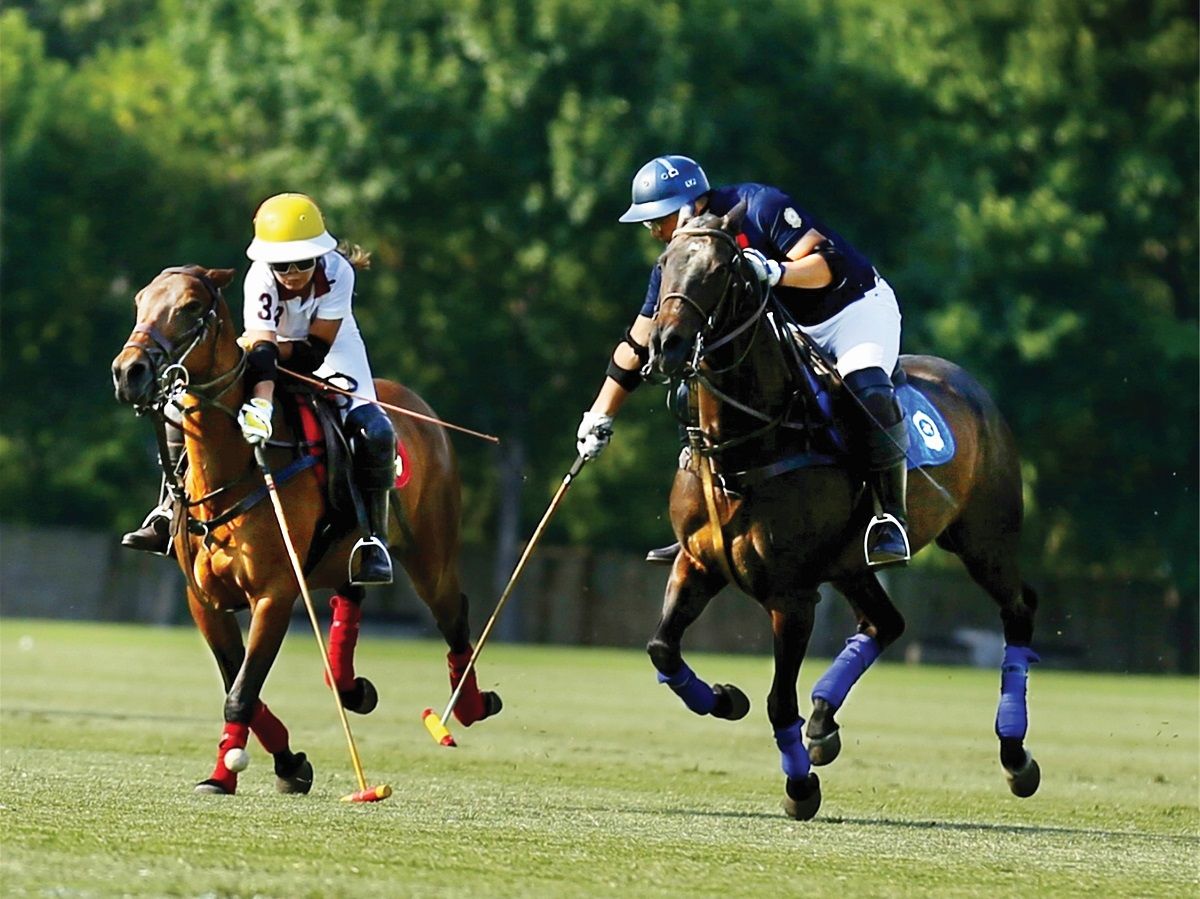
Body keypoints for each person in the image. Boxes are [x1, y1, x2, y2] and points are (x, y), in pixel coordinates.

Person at [575, 155, 910, 569]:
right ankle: (702, 524)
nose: (652, 232)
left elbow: (826, 267)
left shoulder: (760, 206)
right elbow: (638, 342)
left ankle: (891, 517)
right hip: (789, 330)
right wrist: (600, 415)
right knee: (699, 393)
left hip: (850, 311)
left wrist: (774, 272)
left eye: (655, 220)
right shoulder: (676, 262)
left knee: (867, 391)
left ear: (689, 207)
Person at [122, 193, 396, 585]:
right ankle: (167, 508)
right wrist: (262, 406)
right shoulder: (260, 277)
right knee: (177, 408)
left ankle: (373, 540)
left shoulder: (338, 272)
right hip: (268, 345)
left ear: (319, 255)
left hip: (333, 347)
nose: (293, 272)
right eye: (283, 264)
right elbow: (265, 353)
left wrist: (262, 367)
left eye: (304, 262)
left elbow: (314, 351)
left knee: (375, 431)